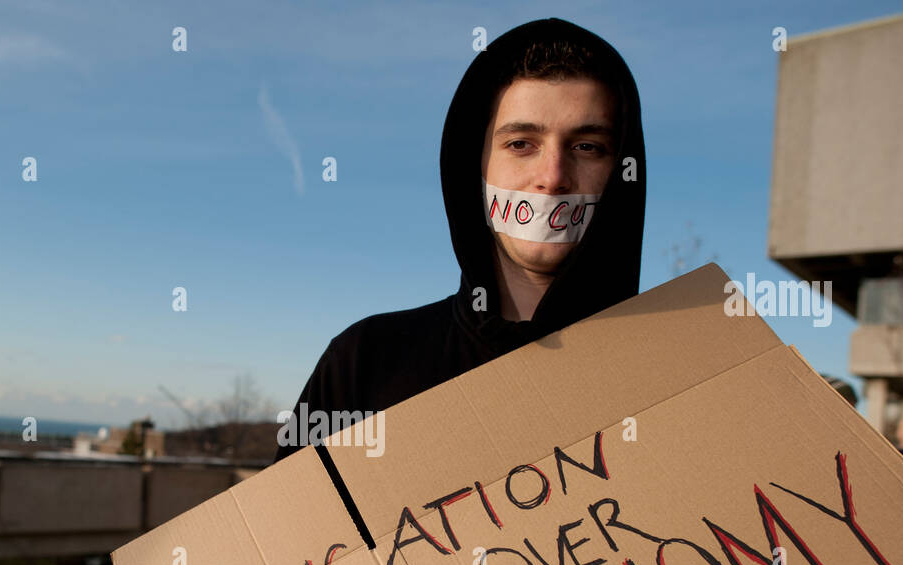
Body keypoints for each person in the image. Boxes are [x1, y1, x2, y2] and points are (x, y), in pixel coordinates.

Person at [273, 18, 645, 462]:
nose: (552, 178)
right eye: (522, 143)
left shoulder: (687, 366)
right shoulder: (366, 361)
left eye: (587, 147)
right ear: (477, 166)